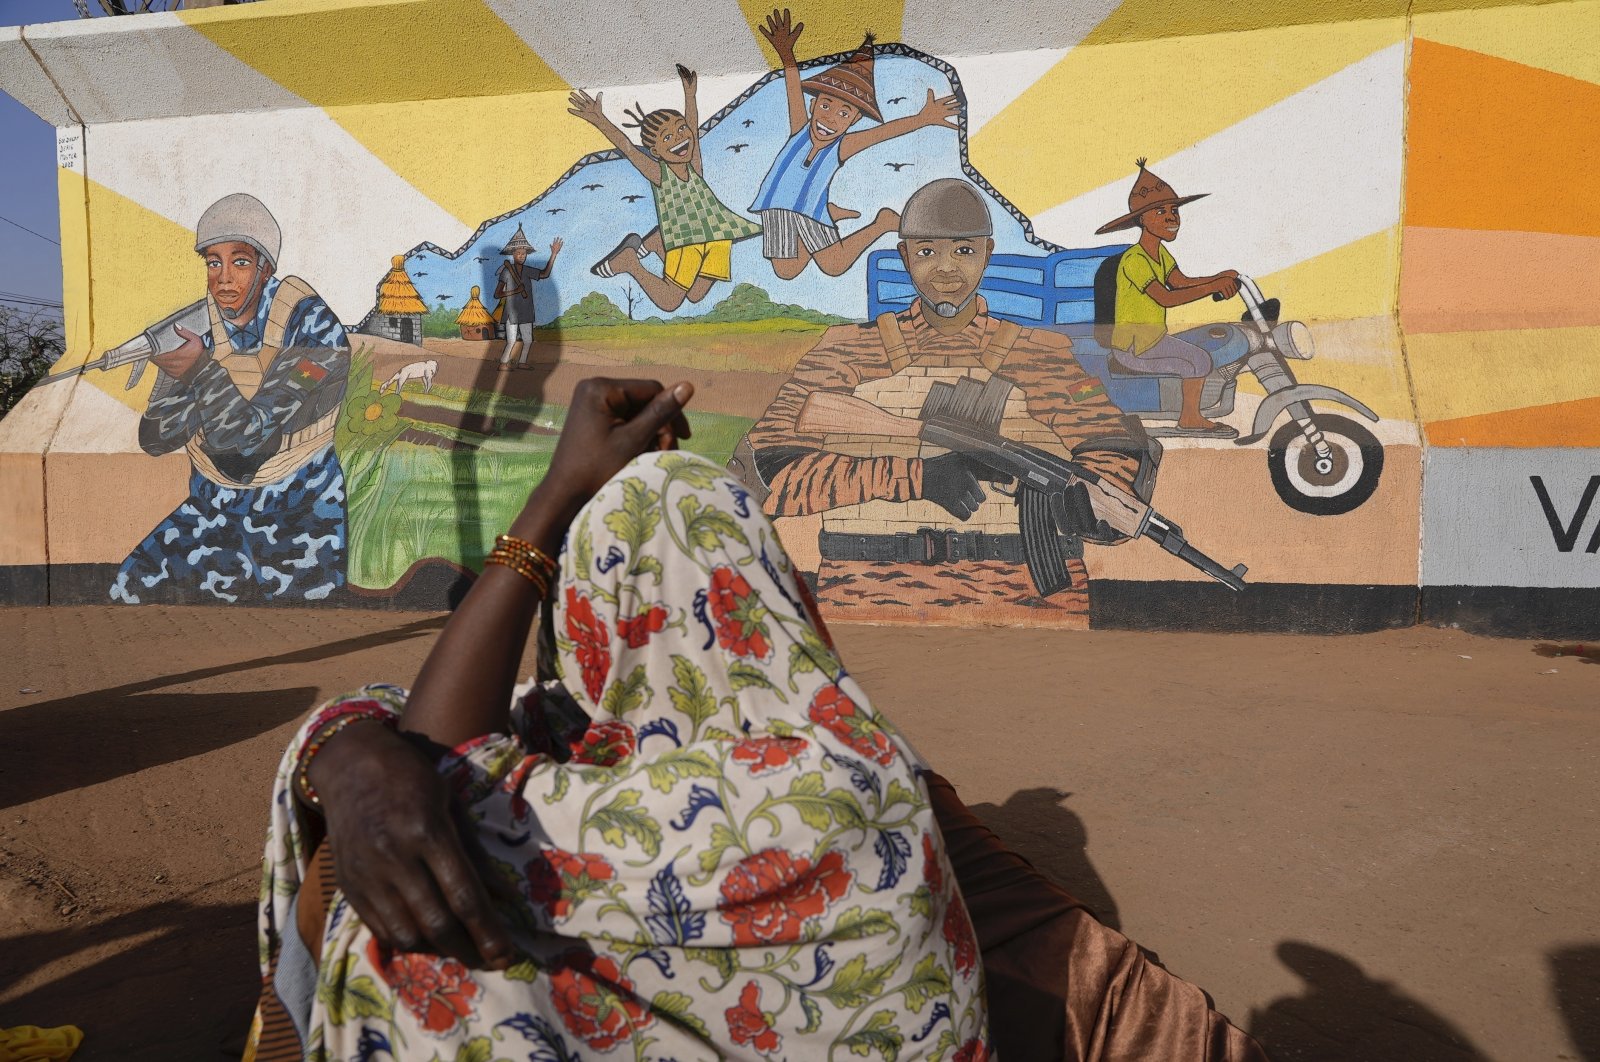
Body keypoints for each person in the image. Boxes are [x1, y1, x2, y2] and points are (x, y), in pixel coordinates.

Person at [248, 378, 1268, 1062]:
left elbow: (427, 756)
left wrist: (555, 500)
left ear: (593, 617)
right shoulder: (869, 775)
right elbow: (1108, 981)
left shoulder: (588, 813)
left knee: (383, 913)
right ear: (770, 594)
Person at [742, 179, 1148, 626]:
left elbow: (1114, 442)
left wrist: (1088, 501)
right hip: (869, 595)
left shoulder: (1039, 354)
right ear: (904, 257)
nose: (946, 269)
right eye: (927, 252)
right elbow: (765, 472)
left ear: (988, 253)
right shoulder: (845, 353)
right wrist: (915, 477)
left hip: (1030, 598)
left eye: (964, 251)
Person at [111, 193, 349, 606]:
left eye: (239, 262)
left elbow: (248, 443)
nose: (223, 278)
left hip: (296, 522)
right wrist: (169, 375)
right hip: (212, 511)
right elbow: (157, 439)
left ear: (265, 268)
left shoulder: (314, 332)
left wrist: (200, 371)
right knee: (130, 590)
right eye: (212, 262)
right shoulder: (200, 328)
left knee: (302, 634)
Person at [749, 10, 960, 280]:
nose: (830, 117)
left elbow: (881, 134)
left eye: (844, 113)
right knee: (787, 271)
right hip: (776, 206)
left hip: (809, 210)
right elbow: (793, 91)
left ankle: (880, 224)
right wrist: (787, 56)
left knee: (834, 265)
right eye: (825, 105)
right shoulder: (799, 130)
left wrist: (921, 119)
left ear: (854, 119)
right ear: (814, 105)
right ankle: (831, 214)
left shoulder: (840, 147)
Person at [572, 65, 762, 312]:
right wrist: (600, 120)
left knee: (695, 295)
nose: (680, 137)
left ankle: (657, 241)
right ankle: (630, 262)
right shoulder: (660, 174)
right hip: (686, 239)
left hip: (719, 237)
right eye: (667, 137)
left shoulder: (694, 166)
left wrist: (690, 96)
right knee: (670, 302)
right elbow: (628, 148)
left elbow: (693, 129)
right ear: (655, 151)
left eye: (680, 129)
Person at [1096, 158, 1242, 438]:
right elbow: (1166, 297)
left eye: (1174, 210)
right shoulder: (1135, 259)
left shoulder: (1160, 254)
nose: (1171, 217)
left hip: (1154, 340)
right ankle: (1189, 417)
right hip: (1134, 348)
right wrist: (1214, 287)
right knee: (1198, 361)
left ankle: (1194, 413)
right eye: (1160, 211)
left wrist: (1217, 277)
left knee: (1200, 357)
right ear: (1142, 220)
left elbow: (1180, 282)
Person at [495, 225, 562, 370]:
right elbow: (497, 294)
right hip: (511, 313)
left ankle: (522, 362)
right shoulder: (506, 271)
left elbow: (545, 274)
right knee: (511, 340)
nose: (522, 256)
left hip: (526, 310)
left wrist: (554, 254)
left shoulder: (528, 271)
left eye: (524, 254)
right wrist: (514, 291)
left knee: (528, 340)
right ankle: (503, 362)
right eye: (519, 253)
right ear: (513, 254)